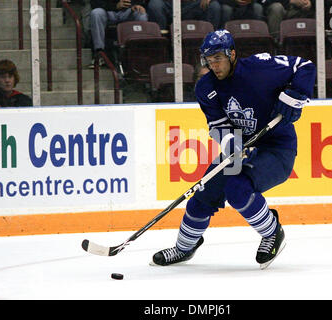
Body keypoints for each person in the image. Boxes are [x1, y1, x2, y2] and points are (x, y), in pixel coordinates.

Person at [151, 29, 315, 268]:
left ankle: (271, 232)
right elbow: (218, 124)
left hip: (277, 148)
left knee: (237, 188)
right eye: (209, 59)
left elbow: (305, 66)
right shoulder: (205, 87)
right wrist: (230, 143)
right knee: (202, 196)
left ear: (232, 54)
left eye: (218, 57)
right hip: (243, 146)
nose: (213, 64)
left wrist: (294, 96)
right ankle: (184, 248)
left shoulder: (260, 68)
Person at [89, 0, 148, 67]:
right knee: (96, 13)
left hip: (129, 11)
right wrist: (115, 6)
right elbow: (95, 3)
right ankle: (99, 53)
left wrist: (136, 5)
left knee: (141, 14)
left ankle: (139, 54)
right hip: (108, 11)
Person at [147, 0, 221, 32]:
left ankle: (211, 40)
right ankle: (161, 38)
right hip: (169, 5)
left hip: (193, 5)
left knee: (214, 5)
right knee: (155, 4)